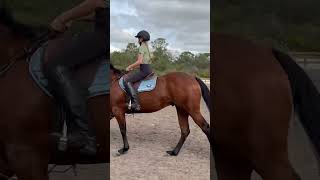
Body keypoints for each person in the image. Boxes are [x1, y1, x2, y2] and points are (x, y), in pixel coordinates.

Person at [43, 0, 108, 155]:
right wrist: (76, 18)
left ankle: (85, 134)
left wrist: (61, 19)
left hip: (105, 31)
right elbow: (101, 9)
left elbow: (96, 2)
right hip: (106, 26)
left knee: (57, 66)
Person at [124, 30, 153, 111]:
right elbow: (144, 63)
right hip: (148, 69)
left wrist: (129, 66)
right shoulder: (147, 48)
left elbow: (139, 61)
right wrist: (135, 67)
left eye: (139, 38)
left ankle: (135, 103)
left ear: (142, 39)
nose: (138, 39)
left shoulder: (141, 47)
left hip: (144, 71)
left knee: (127, 81)